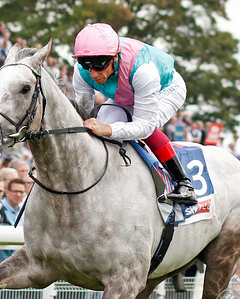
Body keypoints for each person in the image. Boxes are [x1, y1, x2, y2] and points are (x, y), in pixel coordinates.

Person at [71, 23, 197, 205]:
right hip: (126, 91)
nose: (93, 73)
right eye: (86, 64)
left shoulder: (143, 71)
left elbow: (144, 127)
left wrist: (107, 129)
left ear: (114, 57)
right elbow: (84, 116)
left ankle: (184, 183)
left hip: (165, 89)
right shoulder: (80, 72)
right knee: (99, 123)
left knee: (145, 129)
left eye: (99, 65)